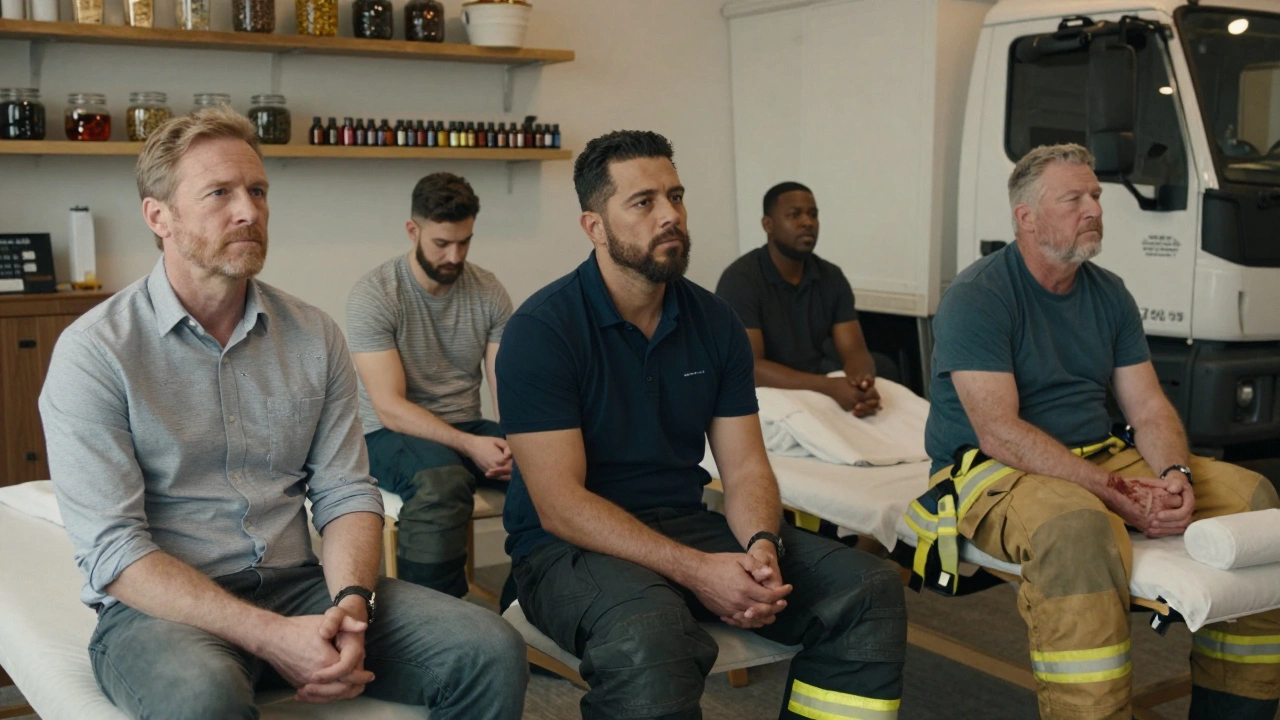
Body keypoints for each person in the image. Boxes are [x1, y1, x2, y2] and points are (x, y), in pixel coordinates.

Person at [37, 107, 526, 720]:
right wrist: (269, 636)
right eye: (220, 193)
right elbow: (113, 550)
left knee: (490, 648)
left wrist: (352, 604)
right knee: (203, 696)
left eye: (258, 191)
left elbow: (347, 491)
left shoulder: (312, 334)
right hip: (167, 611)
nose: (249, 210)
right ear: (158, 216)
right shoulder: (96, 352)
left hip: (301, 585)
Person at [497, 130, 907, 720]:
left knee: (868, 588)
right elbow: (560, 504)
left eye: (676, 196)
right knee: (652, 636)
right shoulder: (543, 330)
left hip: (686, 525)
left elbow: (743, 470)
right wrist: (699, 572)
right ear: (594, 227)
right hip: (564, 550)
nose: (670, 216)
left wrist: (761, 548)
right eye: (643, 202)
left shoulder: (715, 323)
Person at [924, 143, 1280, 720]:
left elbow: (1149, 409)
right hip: (992, 469)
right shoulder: (978, 296)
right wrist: (1115, 495)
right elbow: (1000, 434)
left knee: (1254, 502)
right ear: (1026, 217)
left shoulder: (1108, 292)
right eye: (1074, 198)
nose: (1093, 208)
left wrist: (1174, 475)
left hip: (1095, 455)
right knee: (1078, 527)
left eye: (1096, 196)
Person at [347, 172, 514, 599]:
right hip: (386, 434)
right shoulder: (376, 294)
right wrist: (470, 446)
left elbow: (507, 388)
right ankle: (433, 620)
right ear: (413, 230)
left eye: (465, 242)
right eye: (442, 243)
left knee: (551, 463)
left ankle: (528, 597)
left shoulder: (488, 290)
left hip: (464, 426)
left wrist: (518, 441)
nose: (454, 256)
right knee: (443, 480)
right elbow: (389, 407)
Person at [716, 181, 881, 417]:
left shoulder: (831, 276)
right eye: (795, 215)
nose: (807, 223)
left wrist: (861, 385)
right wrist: (829, 387)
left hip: (815, 387)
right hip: (765, 395)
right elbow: (750, 368)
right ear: (768, 225)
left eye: (813, 215)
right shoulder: (740, 279)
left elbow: (854, 350)